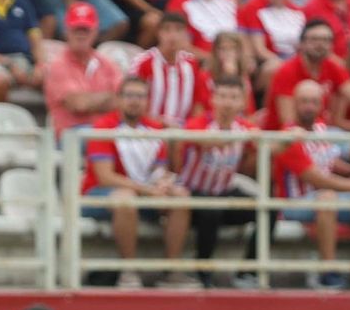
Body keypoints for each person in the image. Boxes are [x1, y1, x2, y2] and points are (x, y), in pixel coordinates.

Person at [80, 75, 197, 288]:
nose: (135, 101)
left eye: (141, 96)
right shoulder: (103, 127)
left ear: (148, 100)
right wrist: (147, 190)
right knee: (126, 198)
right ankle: (129, 270)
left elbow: (158, 169)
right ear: (119, 99)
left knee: (181, 195)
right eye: (130, 95)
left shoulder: (154, 128)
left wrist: (163, 183)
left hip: (143, 192)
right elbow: (105, 177)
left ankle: (171, 271)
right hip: (98, 194)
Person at [272, 79, 350, 289]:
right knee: (328, 197)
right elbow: (317, 178)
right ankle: (328, 271)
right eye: (304, 101)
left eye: (314, 101)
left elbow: (331, 160)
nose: (309, 106)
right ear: (294, 103)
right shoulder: (287, 135)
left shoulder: (322, 129)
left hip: (328, 196)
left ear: (321, 104)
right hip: (296, 202)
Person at [173, 75, 260, 287]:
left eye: (233, 97)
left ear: (242, 102)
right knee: (211, 208)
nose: (227, 102)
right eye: (222, 96)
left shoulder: (245, 127)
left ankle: (249, 270)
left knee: (268, 210)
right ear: (212, 99)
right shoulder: (199, 123)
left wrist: (291, 137)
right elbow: (207, 140)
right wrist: (243, 136)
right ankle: (203, 271)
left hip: (224, 190)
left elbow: (272, 146)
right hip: (193, 192)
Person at [267, 18, 350, 129]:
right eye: (314, 39)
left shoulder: (333, 66)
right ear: (302, 43)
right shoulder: (287, 71)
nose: (320, 44)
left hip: (320, 132)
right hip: (284, 138)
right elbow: (288, 121)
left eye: (326, 40)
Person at [44, 2, 123, 137]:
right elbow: (79, 104)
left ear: (95, 32)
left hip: (106, 130)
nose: (81, 35)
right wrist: (109, 96)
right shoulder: (58, 65)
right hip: (71, 135)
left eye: (86, 29)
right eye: (76, 29)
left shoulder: (106, 63)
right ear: (66, 31)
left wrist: (89, 100)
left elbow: (123, 101)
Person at [131, 11, 212, 126]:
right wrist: (160, 124)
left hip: (184, 134)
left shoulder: (192, 64)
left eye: (178, 30)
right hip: (149, 131)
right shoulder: (143, 62)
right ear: (158, 33)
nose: (172, 36)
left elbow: (198, 104)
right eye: (167, 30)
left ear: (185, 35)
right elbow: (132, 101)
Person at [238, 0, 305, 86]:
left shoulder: (298, 11)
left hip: (295, 59)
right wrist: (287, 65)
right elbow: (260, 50)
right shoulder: (254, 8)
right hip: (268, 61)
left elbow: (304, 44)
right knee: (275, 68)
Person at [202, 30, 257, 115]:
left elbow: (248, 110)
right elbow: (202, 109)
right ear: (215, 51)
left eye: (232, 48)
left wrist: (236, 77)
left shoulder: (244, 77)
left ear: (239, 52)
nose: (228, 53)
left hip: (239, 122)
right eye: (223, 48)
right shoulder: (205, 76)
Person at [171, 0, 239, 56]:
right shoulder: (180, 2)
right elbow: (179, 44)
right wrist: (209, 59)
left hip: (234, 55)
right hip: (201, 60)